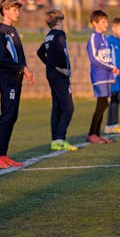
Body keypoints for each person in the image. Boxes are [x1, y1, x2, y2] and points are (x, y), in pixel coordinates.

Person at [0, 0, 35, 168]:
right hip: (7, 78)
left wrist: (25, 68)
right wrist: (21, 68)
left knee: (13, 115)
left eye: (18, 9)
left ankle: (3, 154)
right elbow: (1, 59)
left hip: (16, 77)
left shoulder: (14, 30)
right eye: (14, 9)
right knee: (7, 114)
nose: (17, 12)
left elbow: (20, 55)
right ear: (5, 10)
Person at [37, 9, 76, 151]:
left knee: (57, 107)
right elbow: (59, 52)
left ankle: (55, 140)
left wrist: (49, 65)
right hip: (60, 76)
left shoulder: (48, 36)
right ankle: (60, 138)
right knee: (68, 108)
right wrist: (62, 69)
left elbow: (40, 52)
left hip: (51, 75)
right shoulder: (60, 34)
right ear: (59, 21)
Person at [86, 10, 119, 144]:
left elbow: (107, 57)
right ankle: (92, 134)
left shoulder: (104, 38)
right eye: (103, 22)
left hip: (107, 75)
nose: (106, 24)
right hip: (99, 75)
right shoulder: (94, 38)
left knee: (104, 103)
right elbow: (94, 59)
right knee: (102, 103)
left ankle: (96, 134)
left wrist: (113, 68)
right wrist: (110, 67)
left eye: (106, 21)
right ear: (95, 23)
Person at [105, 17, 120, 135]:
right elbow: (108, 59)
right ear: (113, 29)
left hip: (119, 76)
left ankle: (110, 125)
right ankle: (113, 124)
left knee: (116, 98)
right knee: (114, 98)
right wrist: (110, 73)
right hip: (112, 75)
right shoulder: (109, 41)